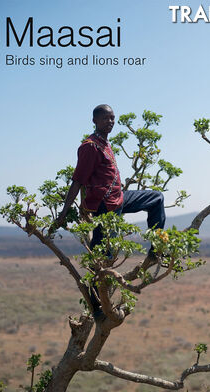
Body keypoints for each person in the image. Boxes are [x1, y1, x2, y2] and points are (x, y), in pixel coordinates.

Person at [53, 104, 166, 312]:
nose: (110, 122)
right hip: (106, 207)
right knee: (103, 254)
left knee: (156, 198)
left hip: (119, 198)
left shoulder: (104, 143)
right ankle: (96, 304)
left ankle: (156, 250)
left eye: (113, 118)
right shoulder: (90, 146)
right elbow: (78, 181)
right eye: (106, 118)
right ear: (95, 121)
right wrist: (64, 212)